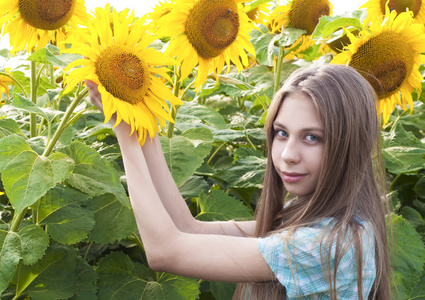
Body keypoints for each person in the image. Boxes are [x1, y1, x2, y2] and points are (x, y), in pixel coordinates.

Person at [86, 64, 391, 299]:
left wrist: (123, 131)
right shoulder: (318, 217)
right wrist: (143, 125)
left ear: (350, 145)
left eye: (312, 138)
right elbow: (187, 228)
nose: (287, 155)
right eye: (281, 133)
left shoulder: (328, 244)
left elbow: (166, 251)